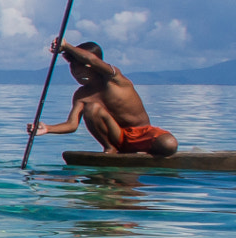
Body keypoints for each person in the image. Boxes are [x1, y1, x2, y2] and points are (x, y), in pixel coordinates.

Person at [27, 39, 179, 156]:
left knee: (169, 144)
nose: (76, 72)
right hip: (118, 137)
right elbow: (72, 125)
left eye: (81, 66)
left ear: (93, 65)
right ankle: (110, 149)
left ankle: (145, 153)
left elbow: (91, 60)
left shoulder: (115, 79)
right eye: (73, 68)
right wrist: (47, 129)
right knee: (92, 108)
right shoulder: (81, 95)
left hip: (143, 133)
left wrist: (66, 46)